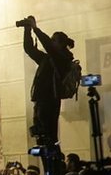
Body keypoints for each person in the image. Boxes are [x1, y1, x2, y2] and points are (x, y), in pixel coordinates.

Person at [20, 15, 76, 146]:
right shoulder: (48, 59)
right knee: (40, 137)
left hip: (50, 102)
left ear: (61, 44)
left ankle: (54, 163)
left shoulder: (62, 60)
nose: (51, 42)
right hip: (41, 102)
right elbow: (30, 49)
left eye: (54, 40)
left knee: (49, 138)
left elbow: (48, 45)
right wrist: (27, 30)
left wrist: (36, 28)